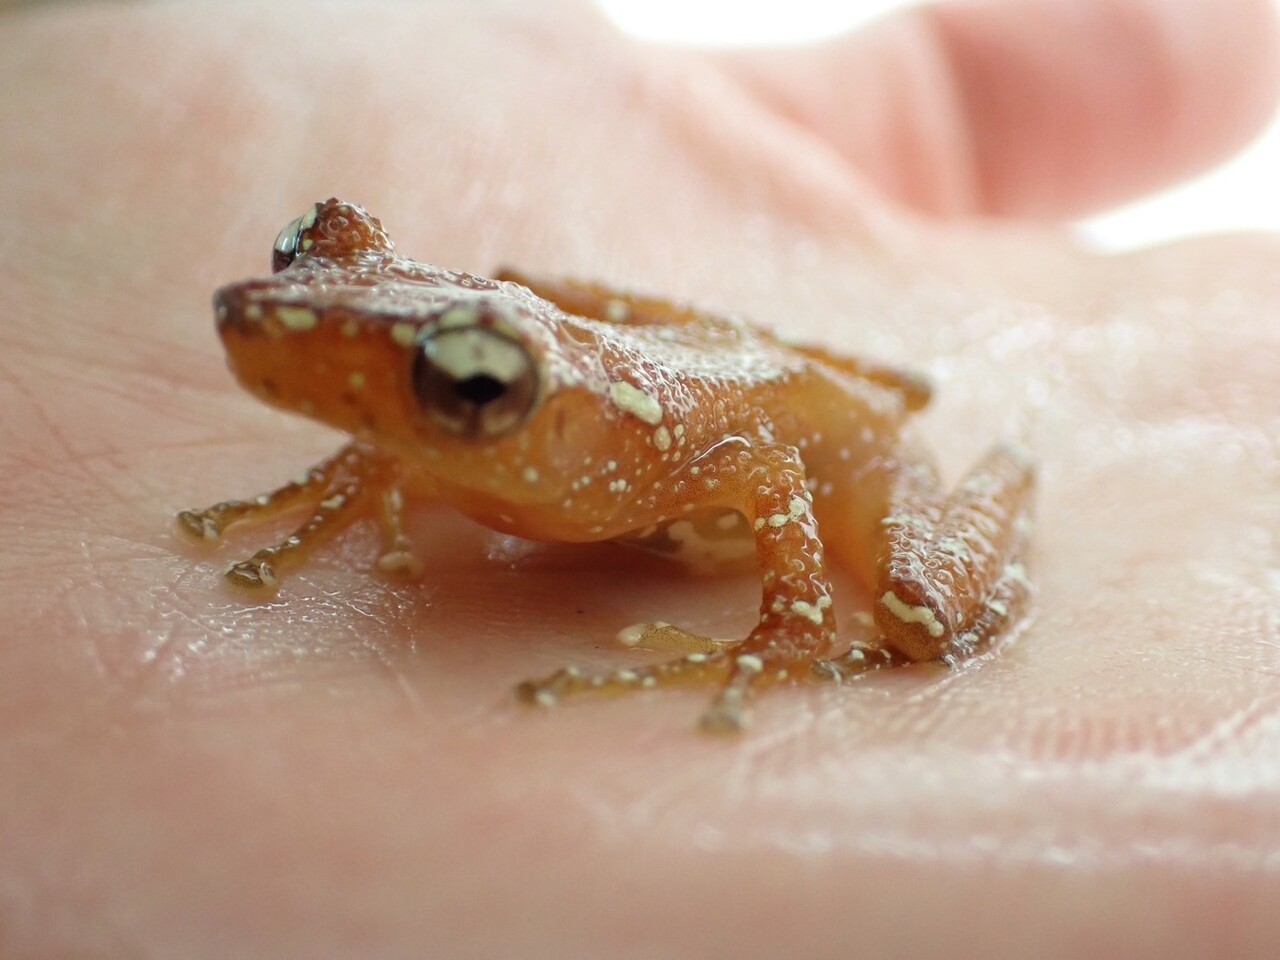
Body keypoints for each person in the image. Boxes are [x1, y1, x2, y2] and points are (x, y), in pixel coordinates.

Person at [2, 0, 1277, 955]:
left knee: (913, 614)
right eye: (310, 253)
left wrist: (787, 626)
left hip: (842, 451)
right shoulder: (521, 430)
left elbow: (765, 463)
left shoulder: (616, 464)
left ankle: (960, 511)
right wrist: (380, 449)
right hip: (665, 369)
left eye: (466, 386)